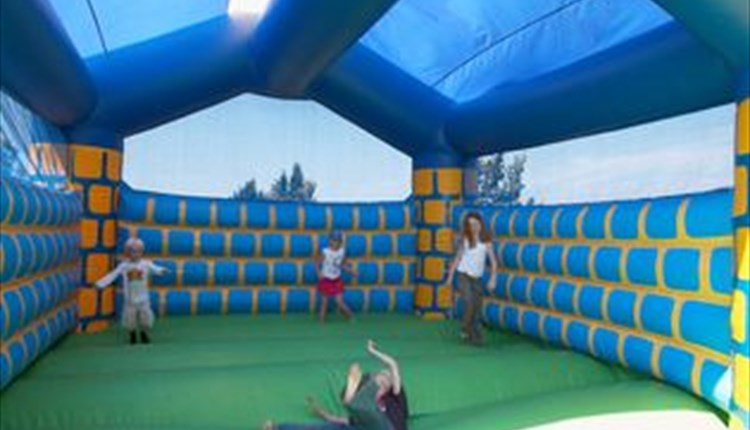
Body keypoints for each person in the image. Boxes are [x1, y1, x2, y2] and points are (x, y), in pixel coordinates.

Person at [264, 340, 408, 430]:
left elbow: (393, 364)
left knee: (364, 403)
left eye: (386, 378)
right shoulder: (363, 411)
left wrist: (372, 351)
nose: (384, 377)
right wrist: (321, 412)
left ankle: (350, 398)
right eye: (381, 376)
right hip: (364, 425)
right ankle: (277, 427)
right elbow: (340, 420)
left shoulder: (395, 397)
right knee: (329, 427)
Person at [95, 237, 168, 344]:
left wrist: (161, 270)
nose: (135, 254)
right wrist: (100, 283)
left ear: (142, 252)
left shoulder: (145, 264)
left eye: (138, 251)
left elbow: (155, 269)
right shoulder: (124, 266)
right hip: (130, 298)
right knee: (130, 319)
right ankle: (132, 334)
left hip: (143, 298)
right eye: (132, 251)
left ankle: (144, 333)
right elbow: (112, 275)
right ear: (127, 252)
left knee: (145, 318)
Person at [445, 211, 498, 345]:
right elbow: (458, 258)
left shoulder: (486, 242)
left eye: (476, 224)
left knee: (477, 306)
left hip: (477, 278)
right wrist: (450, 276)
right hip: (464, 275)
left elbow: (493, 262)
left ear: (480, 224)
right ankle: (465, 328)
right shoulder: (466, 240)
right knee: (469, 301)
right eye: (470, 225)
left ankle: (474, 334)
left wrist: (493, 278)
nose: (473, 227)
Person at [315, 231, 357, 323]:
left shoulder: (342, 252)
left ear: (340, 242)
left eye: (338, 241)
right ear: (330, 241)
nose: (335, 243)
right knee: (324, 302)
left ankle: (350, 315)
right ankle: (321, 319)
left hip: (336, 280)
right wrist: (319, 272)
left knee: (339, 302)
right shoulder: (325, 252)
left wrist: (351, 271)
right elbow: (317, 262)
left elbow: (342, 264)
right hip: (326, 279)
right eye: (333, 240)